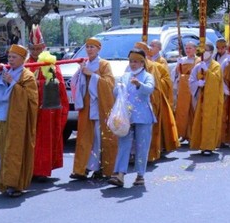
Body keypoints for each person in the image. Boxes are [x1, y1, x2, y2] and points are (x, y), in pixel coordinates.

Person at [0, 44, 38, 197]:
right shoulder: (7, 72)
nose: (10, 60)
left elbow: (31, 99)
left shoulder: (27, 76)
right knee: (3, 150)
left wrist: (13, 83)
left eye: (14, 57)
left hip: (18, 120)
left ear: (23, 59)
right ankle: (5, 181)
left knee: (14, 151)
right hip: (3, 116)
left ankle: (15, 185)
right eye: (9, 57)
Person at [70, 37, 118, 180]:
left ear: (99, 49)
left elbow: (109, 83)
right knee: (84, 137)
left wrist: (92, 75)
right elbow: (76, 83)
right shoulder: (85, 63)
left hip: (99, 105)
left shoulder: (104, 64)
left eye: (92, 47)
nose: (89, 49)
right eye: (87, 47)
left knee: (99, 137)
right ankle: (83, 168)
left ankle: (101, 168)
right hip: (86, 105)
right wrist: (80, 73)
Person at [108, 49, 156, 188]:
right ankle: (119, 174)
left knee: (142, 145)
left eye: (135, 61)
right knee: (124, 144)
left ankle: (140, 175)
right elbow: (115, 92)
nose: (133, 64)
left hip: (143, 116)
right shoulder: (125, 76)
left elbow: (149, 89)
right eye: (131, 61)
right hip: (126, 116)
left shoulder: (147, 76)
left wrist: (139, 84)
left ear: (142, 62)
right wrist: (119, 88)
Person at [27, 26, 69, 182]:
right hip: (29, 108)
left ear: (43, 47)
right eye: (33, 48)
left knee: (44, 139)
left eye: (39, 48)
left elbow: (59, 86)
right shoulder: (25, 64)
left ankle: (42, 170)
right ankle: (28, 169)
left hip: (45, 109)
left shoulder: (50, 63)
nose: (36, 52)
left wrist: (40, 83)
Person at [135, 41, 179, 161]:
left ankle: (150, 153)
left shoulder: (154, 65)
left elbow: (161, 81)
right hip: (134, 100)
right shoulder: (131, 65)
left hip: (150, 98)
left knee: (150, 128)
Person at [189, 42, 224, 155]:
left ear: (211, 52)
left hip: (212, 99)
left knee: (210, 121)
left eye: (206, 50)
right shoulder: (198, 65)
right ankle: (201, 144)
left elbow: (216, 80)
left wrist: (207, 73)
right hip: (200, 97)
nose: (204, 53)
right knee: (200, 120)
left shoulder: (216, 66)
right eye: (202, 51)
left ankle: (209, 146)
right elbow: (191, 80)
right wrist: (197, 83)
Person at [173, 40, 198, 143]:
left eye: (190, 48)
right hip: (183, 88)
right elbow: (176, 74)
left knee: (192, 109)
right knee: (182, 110)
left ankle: (192, 134)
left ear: (195, 49)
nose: (188, 50)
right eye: (186, 48)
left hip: (193, 88)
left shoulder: (198, 60)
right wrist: (178, 67)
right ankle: (182, 133)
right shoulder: (182, 60)